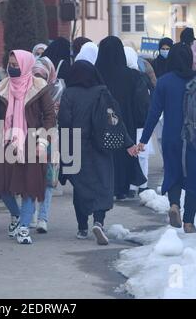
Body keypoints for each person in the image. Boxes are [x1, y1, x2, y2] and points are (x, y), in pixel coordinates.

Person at [138, 43, 196, 234]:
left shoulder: (164, 82)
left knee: (174, 173)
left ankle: (174, 205)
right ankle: (189, 222)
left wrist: (144, 140)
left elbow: (153, 114)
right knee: (194, 176)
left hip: (172, 137)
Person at [59, 60, 137, 244]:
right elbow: (115, 119)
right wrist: (128, 143)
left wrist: (62, 151)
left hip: (76, 145)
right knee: (102, 184)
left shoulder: (69, 93)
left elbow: (64, 122)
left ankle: (82, 227)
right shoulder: (102, 91)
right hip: (100, 145)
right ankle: (99, 222)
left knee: (80, 186)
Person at [0, 50, 56, 244]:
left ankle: (24, 228)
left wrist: (42, 140)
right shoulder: (3, 86)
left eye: (16, 64)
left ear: (25, 65)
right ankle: (16, 216)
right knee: (2, 187)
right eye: (10, 64)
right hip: (7, 142)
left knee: (29, 188)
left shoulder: (39, 86)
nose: (12, 68)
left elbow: (50, 116)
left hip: (32, 143)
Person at [95, 36, 146, 201]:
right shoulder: (132, 76)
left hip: (101, 123)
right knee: (123, 153)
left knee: (104, 154)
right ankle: (122, 188)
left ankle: (105, 186)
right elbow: (140, 101)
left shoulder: (95, 74)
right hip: (126, 121)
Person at [30, 56, 62, 233]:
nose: (38, 80)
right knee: (31, 176)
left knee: (48, 180)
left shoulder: (58, 89)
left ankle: (43, 218)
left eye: (42, 77)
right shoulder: (26, 89)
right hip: (31, 136)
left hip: (53, 137)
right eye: (35, 76)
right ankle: (32, 214)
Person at [124, 47, 154, 197]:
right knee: (142, 153)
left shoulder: (121, 77)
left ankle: (131, 185)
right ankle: (142, 184)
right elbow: (146, 100)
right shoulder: (141, 77)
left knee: (131, 152)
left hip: (127, 121)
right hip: (141, 122)